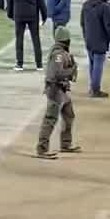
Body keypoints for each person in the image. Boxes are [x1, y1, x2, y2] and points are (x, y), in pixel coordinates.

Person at [36, 26, 79, 158]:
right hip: (55, 90)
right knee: (50, 119)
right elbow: (57, 73)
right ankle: (42, 149)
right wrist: (71, 70)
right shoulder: (58, 55)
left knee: (69, 114)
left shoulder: (62, 52)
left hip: (62, 90)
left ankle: (65, 144)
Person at [7, 0, 47, 72]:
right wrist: (44, 16)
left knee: (19, 38)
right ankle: (39, 64)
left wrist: (10, 14)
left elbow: (10, 0)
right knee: (36, 39)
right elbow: (41, 2)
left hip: (18, 13)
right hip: (32, 14)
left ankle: (19, 64)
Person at [80, 0, 110, 97]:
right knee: (98, 66)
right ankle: (95, 90)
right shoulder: (105, 7)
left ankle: (92, 88)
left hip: (89, 39)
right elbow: (109, 26)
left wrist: (86, 36)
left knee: (92, 64)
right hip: (101, 40)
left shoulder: (86, 5)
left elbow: (82, 23)